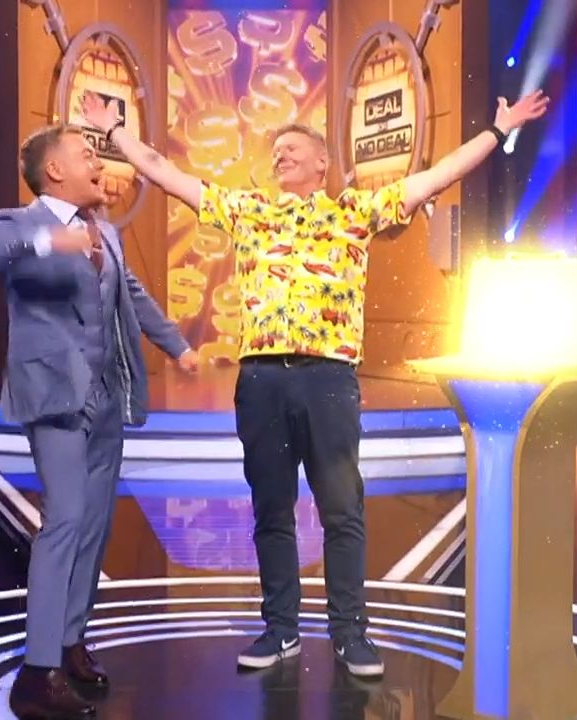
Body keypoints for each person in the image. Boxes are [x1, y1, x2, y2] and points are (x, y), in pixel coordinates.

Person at [80, 89, 549, 678]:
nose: (280, 156)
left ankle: (351, 633)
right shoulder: (248, 210)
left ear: (322, 162)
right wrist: (114, 132)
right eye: (275, 151)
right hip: (262, 381)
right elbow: (163, 172)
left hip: (328, 379)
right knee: (271, 511)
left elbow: (436, 177)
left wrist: (497, 130)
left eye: (291, 148)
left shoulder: (355, 213)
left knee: (341, 510)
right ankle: (280, 630)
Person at [0, 124, 197, 717]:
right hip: (55, 396)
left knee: (93, 527)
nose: (98, 162)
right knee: (64, 520)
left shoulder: (105, 231)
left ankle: (70, 642)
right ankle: (37, 672)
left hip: (108, 396)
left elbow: (132, 296)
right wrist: (45, 242)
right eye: (85, 153)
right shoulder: (20, 222)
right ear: (54, 171)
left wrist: (178, 347)